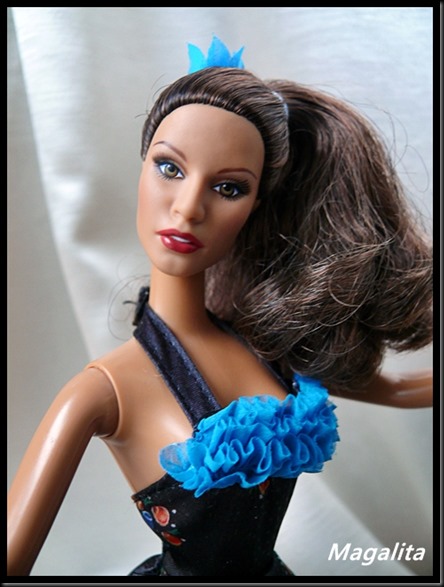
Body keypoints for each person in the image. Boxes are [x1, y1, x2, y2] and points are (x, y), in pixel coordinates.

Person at [7, 36, 433, 577]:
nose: (188, 208)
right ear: (141, 169)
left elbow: (397, 389)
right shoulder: (101, 390)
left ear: (255, 208)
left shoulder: (264, 345)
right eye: (169, 168)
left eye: (229, 188)